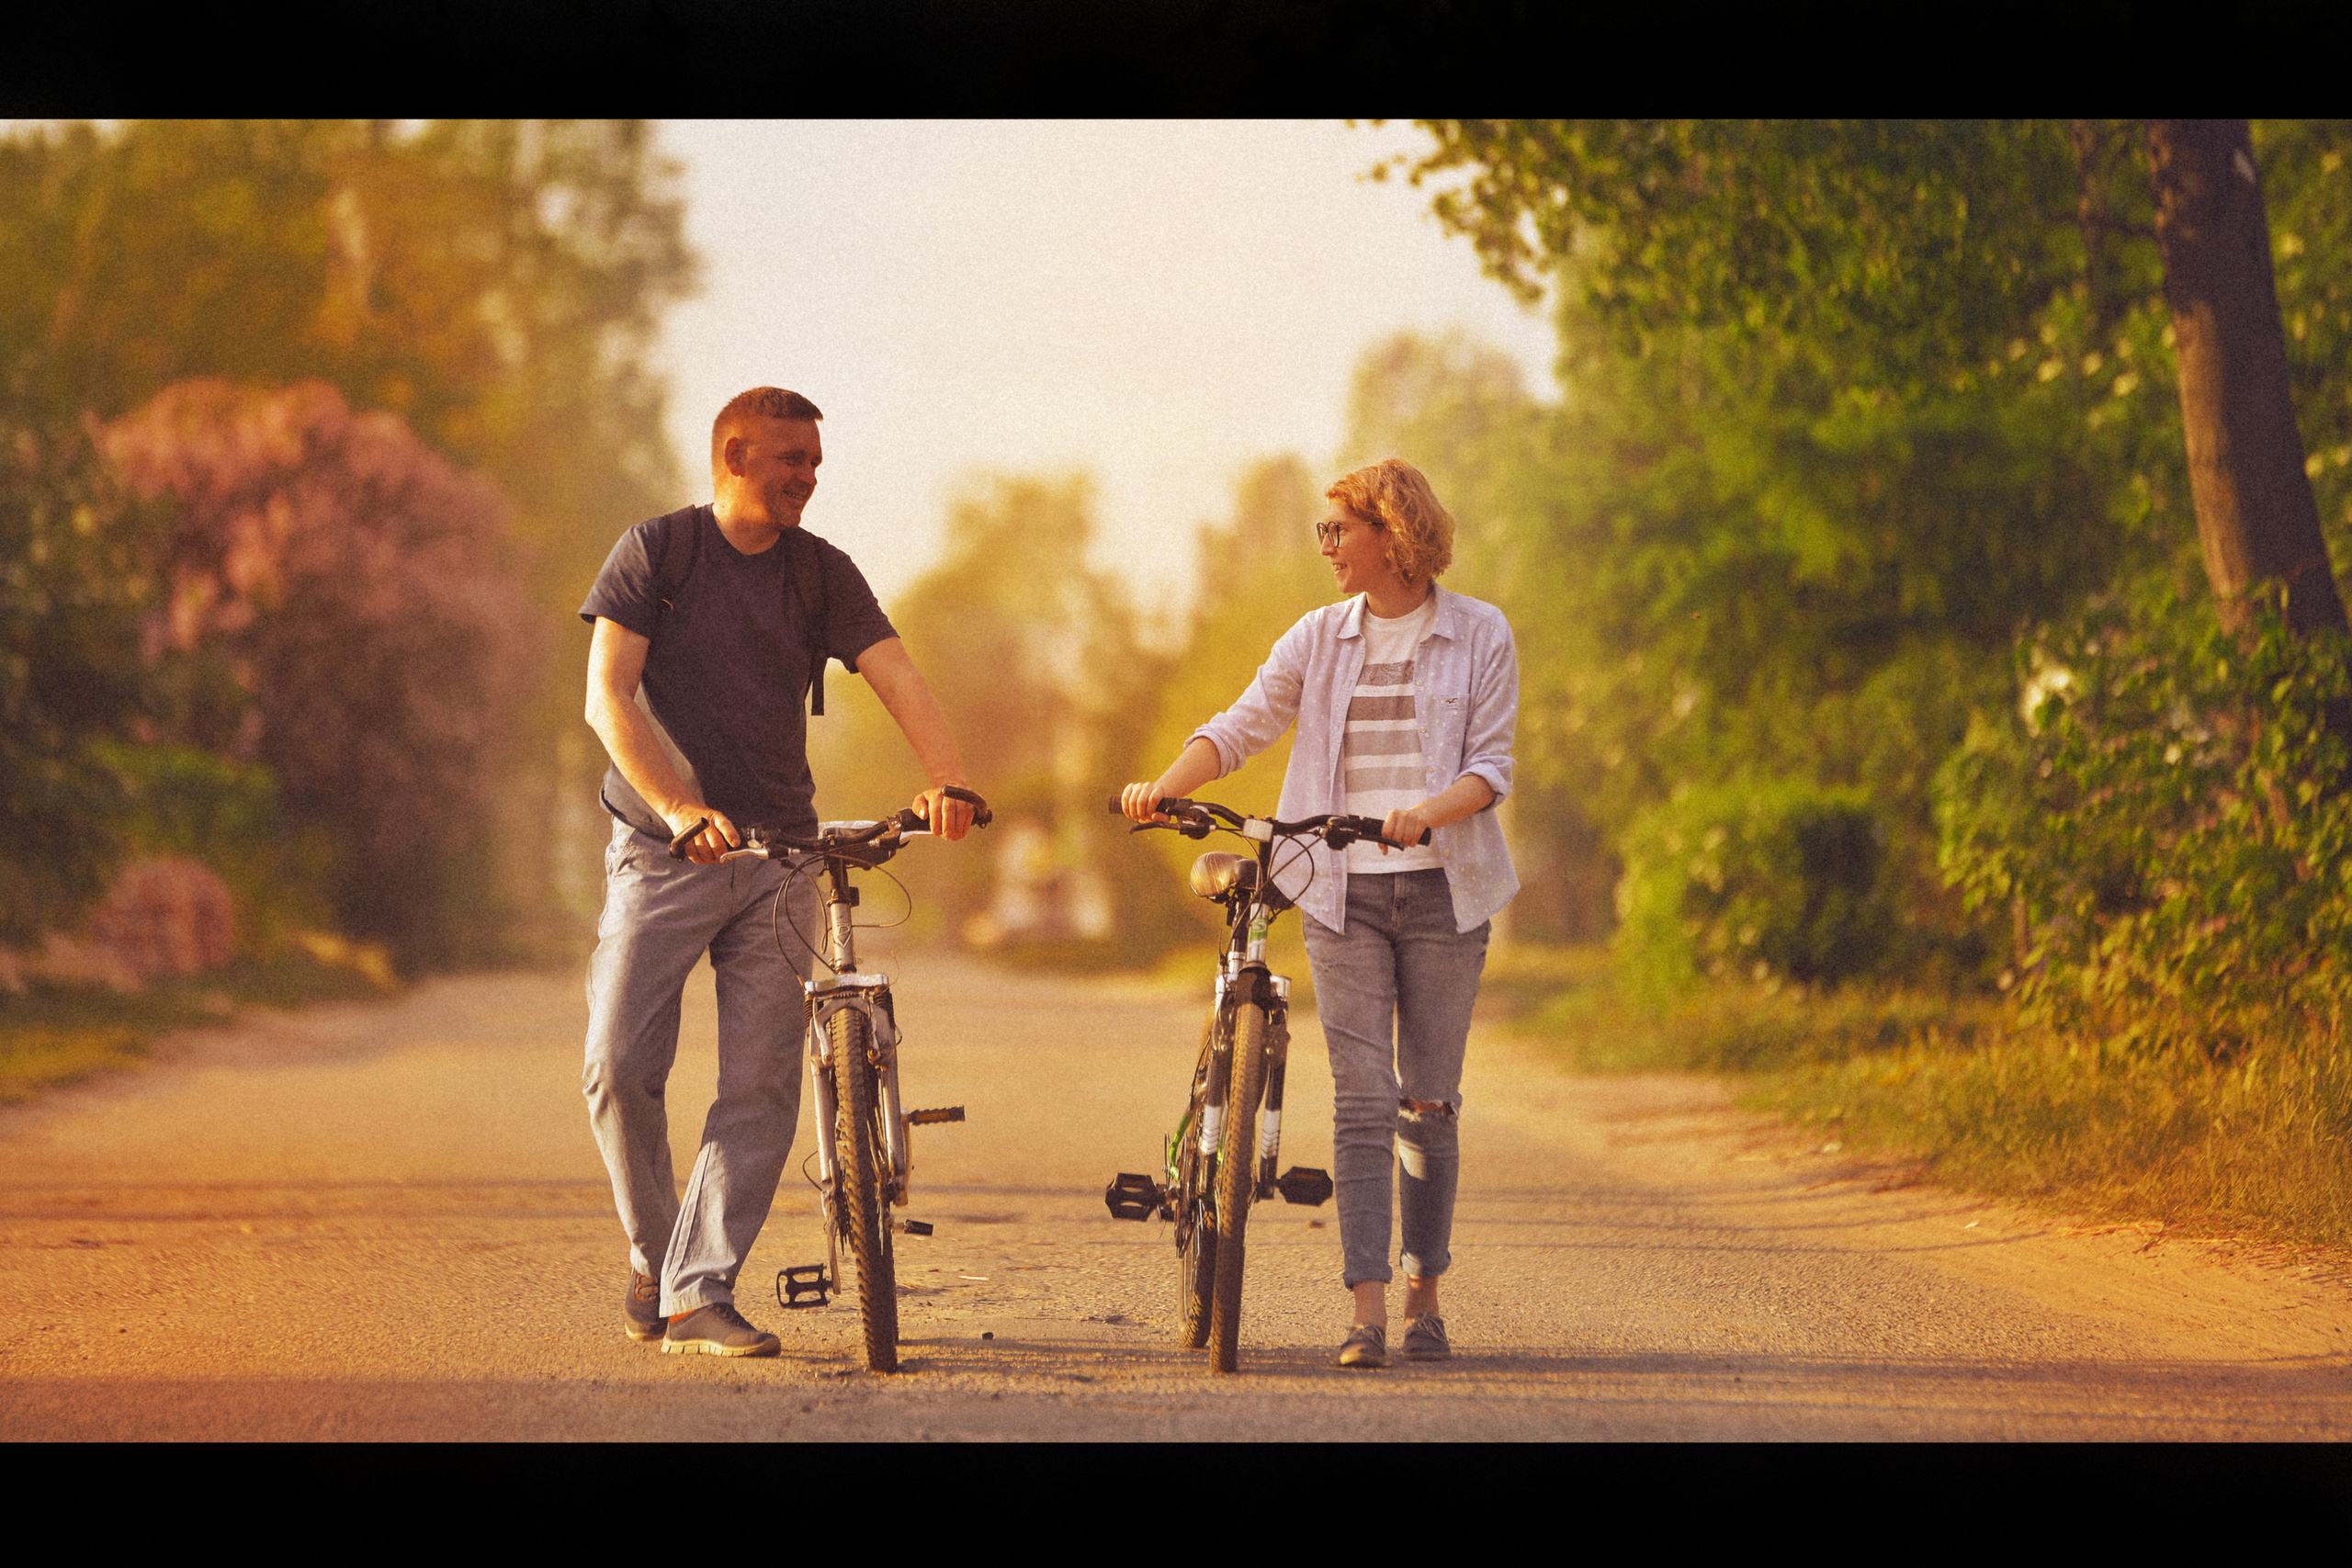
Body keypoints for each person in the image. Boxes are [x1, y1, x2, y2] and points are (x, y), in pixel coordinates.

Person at [580, 387, 978, 1358]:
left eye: (813, 464)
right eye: (788, 461)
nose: (806, 479)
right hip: (662, 851)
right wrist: (680, 810)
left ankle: (700, 1289)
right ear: (733, 456)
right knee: (618, 1067)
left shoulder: (819, 574)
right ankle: (659, 1254)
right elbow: (608, 699)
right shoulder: (658, 554)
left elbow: (895, 673)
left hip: (781, 858)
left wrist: (949, 781)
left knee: (758, 1085)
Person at [1119, 457, 1518, 1369]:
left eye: (1340, 529)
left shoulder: (1479, 633)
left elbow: (1490, 767)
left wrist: (1430, 809)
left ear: (1395, 534)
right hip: (1341, 888)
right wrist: (1163, 787)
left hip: (1444, 889)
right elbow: (1243, 722)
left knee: (1429, 1101)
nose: (1327, 546)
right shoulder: (1317, 638)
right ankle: (1366, 1310)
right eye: (1323, 531)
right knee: (1363, 1096)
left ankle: (1424, 1292)